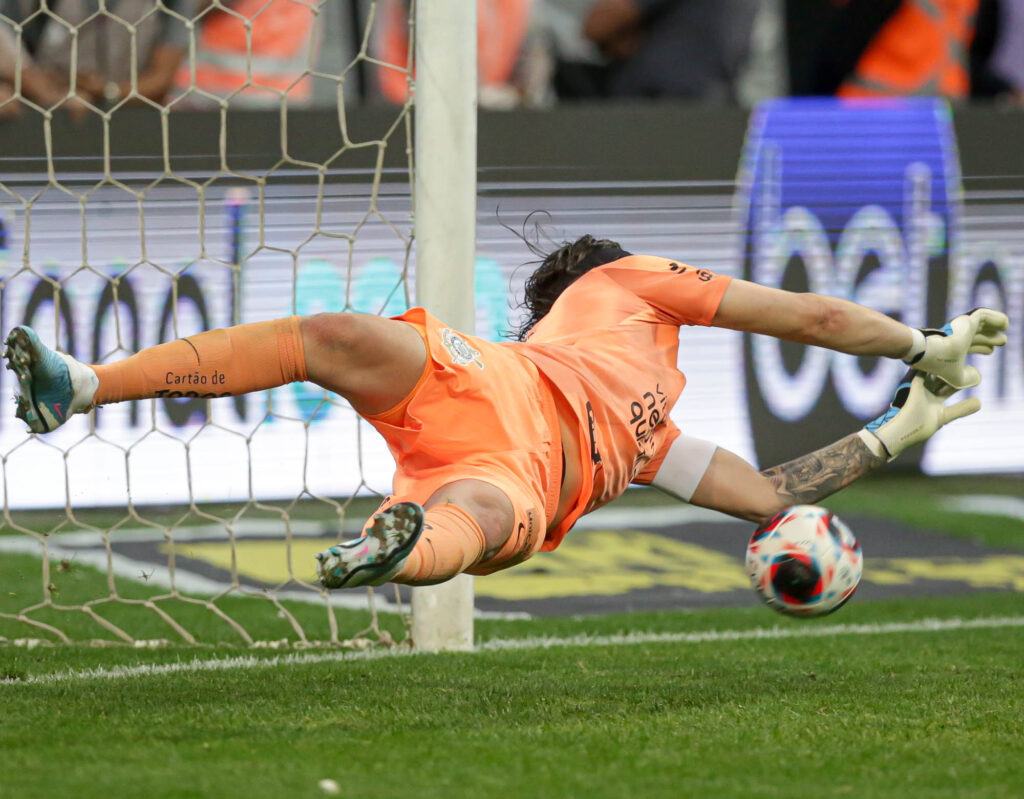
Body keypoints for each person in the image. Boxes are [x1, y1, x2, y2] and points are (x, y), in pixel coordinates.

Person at [3, 236, 1010, 590]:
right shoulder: (630, 298)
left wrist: (903, 422)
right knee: (480, 522)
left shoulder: (659, 439)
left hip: (473, 389)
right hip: (515, 439)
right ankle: (402, 551)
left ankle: (89, 384)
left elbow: (766, 500)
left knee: (342, 339)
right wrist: (918, 356)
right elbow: (818, 321)